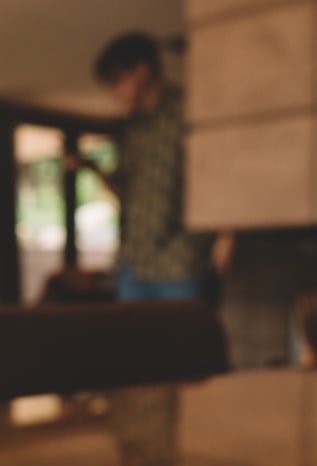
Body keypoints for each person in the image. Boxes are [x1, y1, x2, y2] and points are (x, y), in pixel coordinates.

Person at [72, 32, 234, 302]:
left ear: (142, 71)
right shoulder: (132, 128)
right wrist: (92, 169)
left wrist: (228, 234)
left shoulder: (191, 110)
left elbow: (223, 171)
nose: (114, 93)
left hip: (180, 260)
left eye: (116, 81)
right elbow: (127, 192)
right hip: (134, 262)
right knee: (135, 343)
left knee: (183, 342)